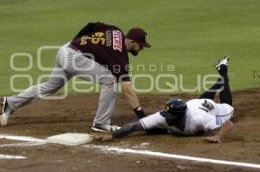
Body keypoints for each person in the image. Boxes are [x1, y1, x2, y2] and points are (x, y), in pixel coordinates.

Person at [0, 21, 151, 132]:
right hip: (74, 58)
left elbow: (92, 25)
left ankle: (10, 103)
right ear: (131, 41)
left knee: (50, 87)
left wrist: (76, 41)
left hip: (66, 49)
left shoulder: (115, 30)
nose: (141, 49)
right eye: (140, 45)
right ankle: (101, 122)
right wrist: (142, 117)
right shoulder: (120, 57)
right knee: (110, 81)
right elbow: (127, 89)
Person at [94, 56, 234, 143]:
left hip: (209, 110)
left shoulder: (200, 120)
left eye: (170, 117)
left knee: (228, 105)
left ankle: (224, 75)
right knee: (200, 100)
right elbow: (135, 126)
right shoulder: (162, 116)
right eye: (167, 115)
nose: (166, 119)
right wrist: (114, 135)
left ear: (180, 116)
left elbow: (228, 124)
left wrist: (218, 136)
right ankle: (222, 74)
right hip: (194, 105)